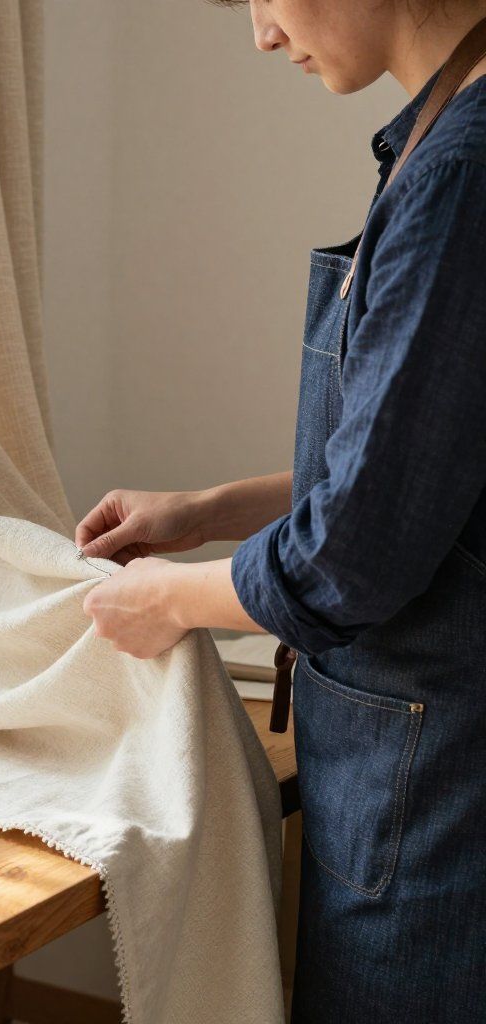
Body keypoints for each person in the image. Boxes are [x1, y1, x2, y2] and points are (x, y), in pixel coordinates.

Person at [77, 2, 486, 1021]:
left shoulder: (459, 174)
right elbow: (420, 466)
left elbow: (355, 551)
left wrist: (170, 601)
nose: (261, 34)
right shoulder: (437, 141)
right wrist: (209, 508)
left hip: (437, 786)